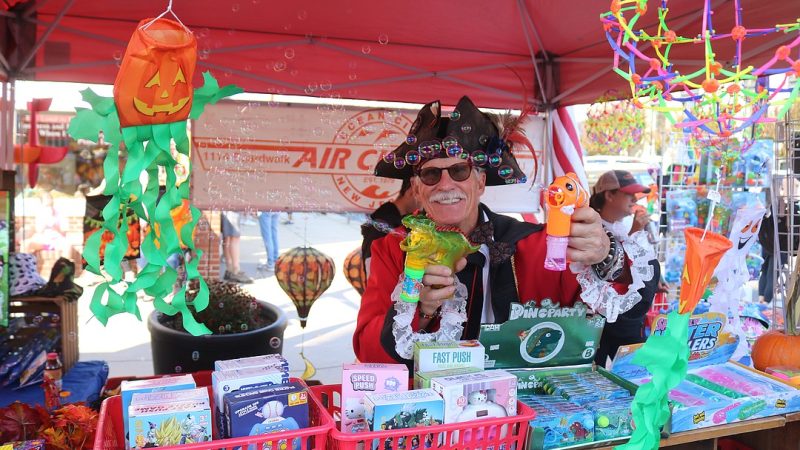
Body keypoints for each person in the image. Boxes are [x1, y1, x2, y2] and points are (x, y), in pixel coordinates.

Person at [353, 96, 656, 365]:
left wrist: (607, 255)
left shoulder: (537, 246)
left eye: (460, 170)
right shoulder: (393, 250)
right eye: (431, 175)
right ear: (418, 189)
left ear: (481, 182)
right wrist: (420, 310)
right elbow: (367, 349)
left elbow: (619, 320)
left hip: (524, 413)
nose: (446, 185)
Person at [589, 170, 662, 366]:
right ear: (609, 195)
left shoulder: (620, 226)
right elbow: (608, 268)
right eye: (628, 194)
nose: (633, 199)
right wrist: (635, 233)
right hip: (601, 321)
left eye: (635, 194)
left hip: (625, 319)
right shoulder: (590, 225)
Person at [361, 178, 420, 281]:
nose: (423, 202)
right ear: (411, 191)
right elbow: (372, 268)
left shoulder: (392, 219)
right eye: (420, 194)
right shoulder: (384, 223)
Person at [221, 211, 253, 283]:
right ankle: (235, 270)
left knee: (228, 238)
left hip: (227, 208)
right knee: (234, 238)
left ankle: (230, 269)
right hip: (231, 209)